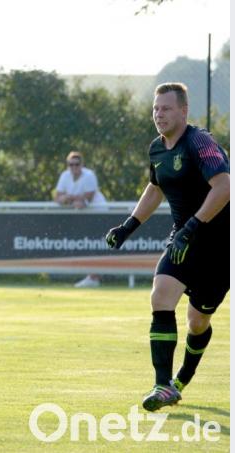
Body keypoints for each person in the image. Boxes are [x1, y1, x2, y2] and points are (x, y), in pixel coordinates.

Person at [105, 83, 229, 412]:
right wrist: (128, 226)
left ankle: (181, 379)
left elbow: (225, 186)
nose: (159, 114)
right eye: (156, 108)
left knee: (197, 321)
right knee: (160, 295)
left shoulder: (199, 142)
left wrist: (193, 225)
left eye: (166, 108)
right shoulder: (157, 149)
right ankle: (162, 385)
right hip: (183, 241)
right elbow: (155, 188)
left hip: (218, 248)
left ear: (183, 111)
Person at [55, 151, 108, 288]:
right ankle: (92, 276)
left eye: (77, 164)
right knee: (87, 244)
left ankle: (94, 277)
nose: (74, 167)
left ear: (81, 164)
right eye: (71, 164)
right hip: (84, 217)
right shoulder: (65, 175)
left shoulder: (89, 175)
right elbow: (58, 197)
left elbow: (88, 197)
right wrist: (73, 199)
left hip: (99, 215)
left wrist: (68, 198)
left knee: (95, 244)